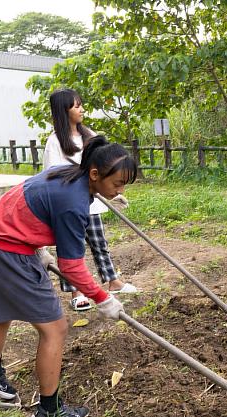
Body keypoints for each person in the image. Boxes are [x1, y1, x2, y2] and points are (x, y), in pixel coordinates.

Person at [0, 136, 137, 417]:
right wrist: (102, 298)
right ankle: (49, 411)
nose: (120, 190)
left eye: (124, 185)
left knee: (2, 310)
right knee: (56, 328)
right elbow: (71, 267)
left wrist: (37, 246)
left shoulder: (67, 172)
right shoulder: (73, 203)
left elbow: (29, 202)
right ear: (95, 174)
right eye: (117, 184)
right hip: (7, 251)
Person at [42, 88, 137, 311]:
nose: (82, 109)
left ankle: (112, 280)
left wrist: (115, 192)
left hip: (92, 204)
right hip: (68, 205)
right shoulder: (55, 141)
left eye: (81, 104)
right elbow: (53, 173)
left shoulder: (89, 135)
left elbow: (107, 168)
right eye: (76, 106)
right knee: (71, 248)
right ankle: (77, 291)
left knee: (99, 244)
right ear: (62, 111)